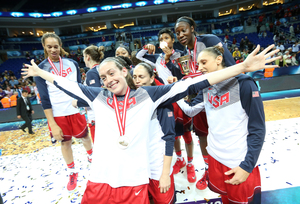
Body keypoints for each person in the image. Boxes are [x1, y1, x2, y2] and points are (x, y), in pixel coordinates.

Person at [22, 44, 279, 203]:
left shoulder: (149, 96)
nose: (108, 80)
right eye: (103, 77)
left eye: (112, 73)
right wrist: (40, 73)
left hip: (133, 182)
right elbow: (67, 85)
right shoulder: (97, 97)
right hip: (100, 180)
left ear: (125, 72)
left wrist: (242, 67)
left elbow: (192, 84)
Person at [176, 45, 268, 204]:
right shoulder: (206, 86)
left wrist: (247, 166)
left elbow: (258, 128)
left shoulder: (244, 84)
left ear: (219, 59)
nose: (201, 67)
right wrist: (175, 92)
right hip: (215, 156)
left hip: (238, 161)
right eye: (198, 64)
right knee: (226, 199)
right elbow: (190, 111)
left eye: (204, 62)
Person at [171, 16, 236, 190]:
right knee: (202, 135)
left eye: (183, 30)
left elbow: (231, 67)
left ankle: (229, 168)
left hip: (222, 96)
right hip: (203, 97)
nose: (181, 34)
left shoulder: (210, 40)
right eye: (177, 33)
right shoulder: (186, 51)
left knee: (222, 134)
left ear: (192, 28)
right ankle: (209, 171)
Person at [136, 28, 196, 184]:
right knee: (173, 134)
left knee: (187, 135)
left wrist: (172, 64)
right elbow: (138, 56)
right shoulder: (157, 58)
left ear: (172, 40)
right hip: (166, 102)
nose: (164, 40)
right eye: (161, 38)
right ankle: (180, 159)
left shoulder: (181, 55)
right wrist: (146, 47)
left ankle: (190, 163)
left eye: (167, 37)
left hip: (181, 99)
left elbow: (187, 76)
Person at [34, 33, 93, 191]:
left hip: (75, 109)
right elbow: (44, 99)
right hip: (58, 114)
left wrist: (83, 106)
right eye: (49, 46)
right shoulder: (40, 69)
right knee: (65, 142)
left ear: (60, 46)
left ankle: (92, 157)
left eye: (56, 46)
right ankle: (72, 172)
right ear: (44, 47)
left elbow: (79, 87)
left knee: (85, 136)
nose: (53, 49)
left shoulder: (72, 63)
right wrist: (52, 124)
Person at [132, 62, 176, 204]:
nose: (137, 80)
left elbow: (169, 139)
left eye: (141, 77)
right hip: (141, 170)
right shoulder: (132, 102)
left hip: (158, 168)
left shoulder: (162, 102)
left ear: (152, 78)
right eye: (134, 77)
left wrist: (165, 174)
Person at [81, 45, 105, 143]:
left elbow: (96, 94)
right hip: (106, 112)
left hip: (96, 115)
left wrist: (80, 102)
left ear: (88, 57)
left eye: (84, 57)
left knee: (100, 146)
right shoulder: (103, 68)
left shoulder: (92, 72)